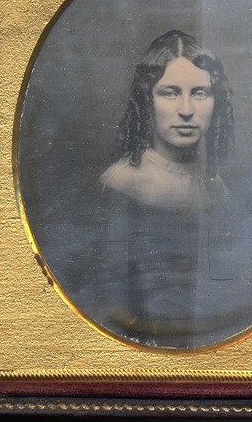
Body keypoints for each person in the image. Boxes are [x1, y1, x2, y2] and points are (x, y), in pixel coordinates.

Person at [84, 30, 239, 350]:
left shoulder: (216, 188)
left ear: (215, 101)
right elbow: (109, 303)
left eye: (199, 93)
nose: (186, 109)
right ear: (147, 99)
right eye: (169, 92)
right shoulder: (122, 183)